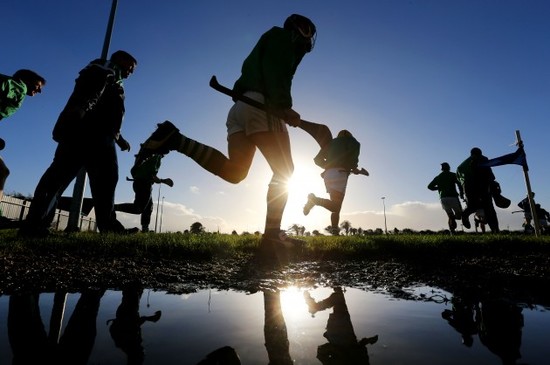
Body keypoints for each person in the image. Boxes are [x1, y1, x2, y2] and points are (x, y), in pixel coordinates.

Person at [139, 14, 317, 249]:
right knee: (285, 170)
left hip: (240, 109)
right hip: (262, 106)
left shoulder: (269, 38)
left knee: (236, 172)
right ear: (300, 29)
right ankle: (273, 234)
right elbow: (276, 72)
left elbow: (253, 70)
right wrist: (285, 106)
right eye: (308, 32)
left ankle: (177, 140)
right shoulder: (283, 38)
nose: (309, 40)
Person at [19, 50, 137, 237]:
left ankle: (109, 228)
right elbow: (91, 90)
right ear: (120, 60)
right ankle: (35, 226)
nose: (131, 71)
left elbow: (109, 114)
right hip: (85, 132)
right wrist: (80, 111)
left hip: (101, 137)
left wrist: (119, 138)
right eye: (130, 66)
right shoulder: (105, 68)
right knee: (58, 178)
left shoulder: (116, 80)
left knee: (104, 182)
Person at [302, 129, 369, 236]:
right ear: (350, 135)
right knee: (336, 207)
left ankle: (334, 230)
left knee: (335, 205)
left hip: (327, 175)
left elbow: (317, 159)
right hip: (340, 174)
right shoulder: (353, 142)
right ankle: (314, 200)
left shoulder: (331, 143)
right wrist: (354, 168)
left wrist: (328, 166)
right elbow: (352, 159)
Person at [0, 69, 46, 203]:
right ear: (27, 79)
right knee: (2, 172)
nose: (40, 91)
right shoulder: (19, 86)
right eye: (38, 86)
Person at [115, 143, 173, 233]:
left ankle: (145, 229)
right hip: (143, 184)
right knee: (138, 208)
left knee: (148, 208)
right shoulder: (156, 157)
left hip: (142, 183)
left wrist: (161, 180)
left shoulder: (154, 155)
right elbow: (152, 175)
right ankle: (111, 207)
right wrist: (163, 181)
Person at [456, 147, 500, 233]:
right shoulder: (483, 159)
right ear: (480, 153)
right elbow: (491, 176)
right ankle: (495, 230)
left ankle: (465, 214)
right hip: (481, 185)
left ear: (471, 154)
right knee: (489, 209)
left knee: (472, 206)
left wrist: (461, 193)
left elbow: (459, 181)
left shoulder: (460, 166)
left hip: (468, 186)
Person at [427, 162, 464, 233]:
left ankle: (452, 232)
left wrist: (439, 188)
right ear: (449, 167)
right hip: (453, 197)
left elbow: (429, 187)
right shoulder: (453, 175)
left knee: (450, 216)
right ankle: (453, 223)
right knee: (459, 216)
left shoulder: (438, 177)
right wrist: (461, 193)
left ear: (442, 169)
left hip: (443, 198)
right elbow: (459, 184)